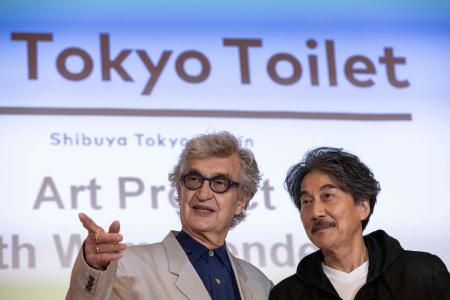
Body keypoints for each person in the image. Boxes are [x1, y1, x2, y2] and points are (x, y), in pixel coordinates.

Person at [66, 132, 272, 300]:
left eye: (219, 183)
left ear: (240, 201)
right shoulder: (126, 265)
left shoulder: (261, 285)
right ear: (179, 191)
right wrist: (93, 268)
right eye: (193, 179)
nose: (203, 193)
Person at [269, 147, 450, 300]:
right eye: (306, 202)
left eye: (328, 196)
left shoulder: (422, 274)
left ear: (363, 206)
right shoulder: (287, 294)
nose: (316, 212)